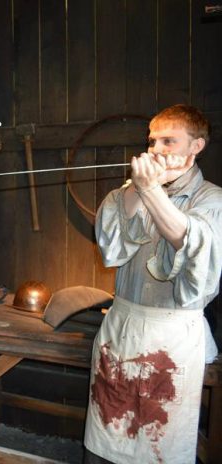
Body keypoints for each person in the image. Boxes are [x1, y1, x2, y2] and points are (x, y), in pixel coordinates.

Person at [84, 104, 221, 463]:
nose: (158, 149)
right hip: (123, 330)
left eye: (169, 140)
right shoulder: (131, 191)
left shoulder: (213, 199)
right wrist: (139, 189)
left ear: (197, 146)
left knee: (159, 444)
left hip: (172, 338)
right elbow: (110, 245)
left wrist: (151, 191)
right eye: (153, 141)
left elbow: (188, 240)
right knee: (108, 433)